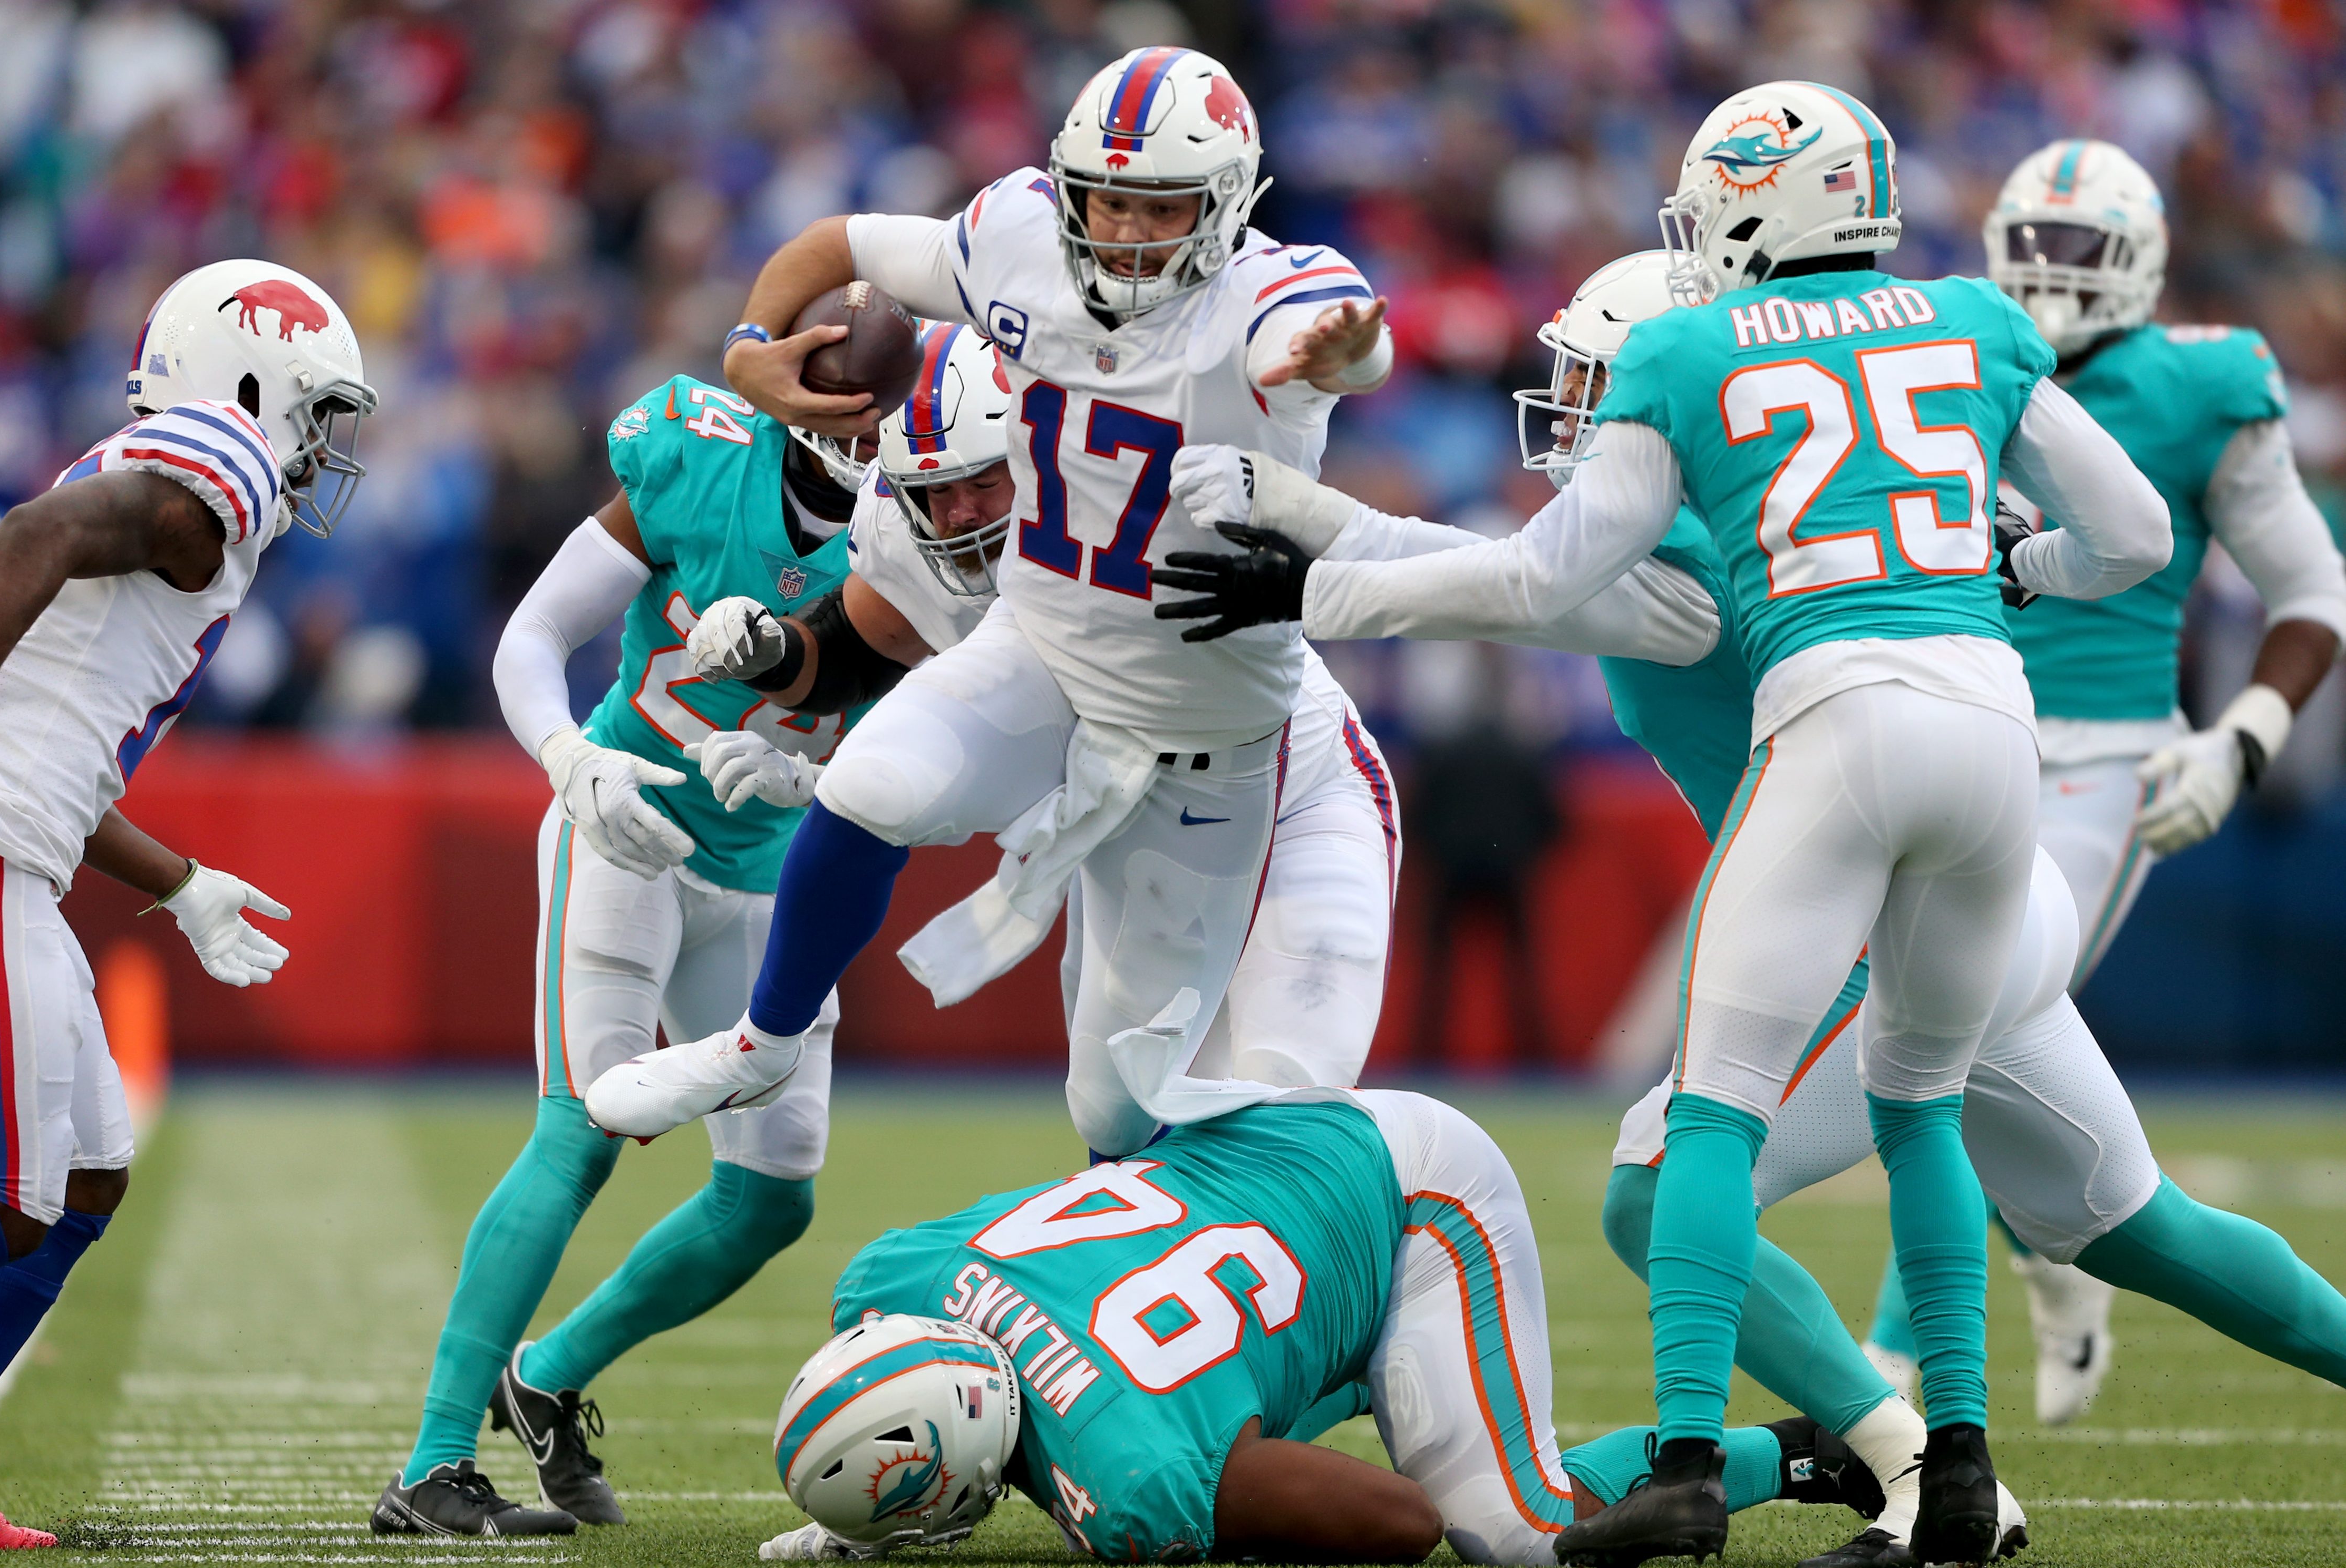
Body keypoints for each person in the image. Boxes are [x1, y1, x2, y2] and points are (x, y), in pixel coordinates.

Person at [1167, 246, 2346, 1568]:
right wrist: (1305, 512)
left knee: (1653, 1182)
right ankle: (1937, 1461)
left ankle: (1908, 1463)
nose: (1577, 410)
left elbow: (1504, 587)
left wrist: (1307, 552)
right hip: (1977, 889)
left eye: (1597, 383)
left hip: (1877, 913)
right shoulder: (1748, 518)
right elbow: (1489, 559)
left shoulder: (1692, 563)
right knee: (2141, 1231)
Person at [583, 46, 1402, 1158]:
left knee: (1141, 1105)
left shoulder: (1268, 298)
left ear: (1223, 206)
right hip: (1052, 645)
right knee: (873, 783)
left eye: (1160, 208)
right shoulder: (1017, 248)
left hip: (1225, 733)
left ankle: (1290, 1241)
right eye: (1107, 201)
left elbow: (1337, 337)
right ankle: (761, 1043)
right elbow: (845, 245)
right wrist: (746, 351)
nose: (1126, 233)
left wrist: (1345, 357)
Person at [1857, 137, 2346, 1427]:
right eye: (2029, 246)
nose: (2049, 273)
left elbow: (2312, 589)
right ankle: (2050, 1254)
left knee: (1955, 1026)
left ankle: (1895, 1361)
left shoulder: (2199, 384)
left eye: (2078, 250)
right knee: (1936, 1038)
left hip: (2103, 756)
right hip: (1951, 730)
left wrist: (2242, 737)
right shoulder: (1944, 353)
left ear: (2140, 261)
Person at [372, 372, 865, 1537]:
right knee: (582, 1128)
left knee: (771, 1201)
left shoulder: (940, 542)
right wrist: (568, 758)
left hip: (769, 878)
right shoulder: (705, 462)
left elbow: (944, 738)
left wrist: (820, 780)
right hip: (626, 831)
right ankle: (433, 1467)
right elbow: (534, 634)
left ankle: (544, 1377)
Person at [685, 322, 1403, 1091]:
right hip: (1130, 820)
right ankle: (762, 1044)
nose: (960, 514)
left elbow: (1073, 728)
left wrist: (822, 782)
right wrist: (775, 656)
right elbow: (860, 651)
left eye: (981, 482)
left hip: (1293, 788)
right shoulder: (901, 530)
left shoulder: (1129, 516)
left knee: (1290, 1089)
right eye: (935, 490)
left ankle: (1402, 1158)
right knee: (1118, 1112)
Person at [758, 1090, 1897, 1566]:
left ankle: (1802, 1454)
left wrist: (1175, 1501)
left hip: (1413, 1210)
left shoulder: (1130, 1476)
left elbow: (1400, 1525)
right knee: (1228, 1419)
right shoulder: (893, 1278)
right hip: (1274, 1141)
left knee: (1513, 1534)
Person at [0, 259, 374, 1547]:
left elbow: (58, 757)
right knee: (14, 1195)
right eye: (319, 413)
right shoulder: (220, 459)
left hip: (23, 848)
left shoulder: (176, 491)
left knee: (87, 1173)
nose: (323, 449)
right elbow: (31, 540)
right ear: (252, 383)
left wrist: (185, 881)